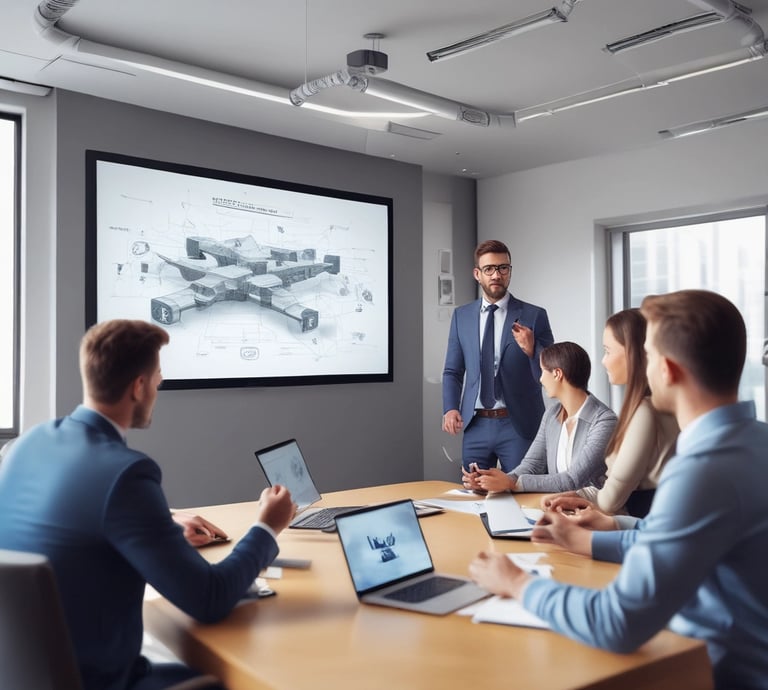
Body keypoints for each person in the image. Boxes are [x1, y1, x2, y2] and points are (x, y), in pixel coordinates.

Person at [469, 290, 768, 690]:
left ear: (669, 369)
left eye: (646, 352)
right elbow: (673, 536)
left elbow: (616, 622)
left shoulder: (702, 472)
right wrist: (599, 536)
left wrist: (518, 583)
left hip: (711, 674)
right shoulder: (755, 441)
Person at [0, 320, 297, 690]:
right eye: (158, 377)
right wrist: (267, 526)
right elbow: (210, 599)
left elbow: (73, 518)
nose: (159, 386)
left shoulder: (23, 446)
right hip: (101, 681)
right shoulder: (126, 474)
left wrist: (163, 522)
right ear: (138, 387)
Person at [541, 309, 678, 517]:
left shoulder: (643, 413)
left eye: (608, 351)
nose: (603, 361)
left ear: (632, 353)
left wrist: (573, 498)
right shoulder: (653, 406)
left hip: (633, 528)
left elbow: (612, 499)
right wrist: (574, 495)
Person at [442, 239, 554, 474]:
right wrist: (450, 408)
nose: (496, 275)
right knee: (475, 497)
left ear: (509, 271)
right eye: (489, 269)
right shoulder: (461, 317)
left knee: (525, 495)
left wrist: (533, 349)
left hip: (519, 425)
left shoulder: (534, 315)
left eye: (503, 268)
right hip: (475, 425)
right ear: (477, 274)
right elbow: (453, 371)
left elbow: (550, 374)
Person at [462, 341, 616, 494]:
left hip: (594, 511)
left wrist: (510, 483)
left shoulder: (604, 421)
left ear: (557, 374)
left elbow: (573, 480)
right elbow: (532, 465)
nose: (540, 379)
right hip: (559, 505)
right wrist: (491, 482)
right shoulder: (552, 414)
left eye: (542, 371)